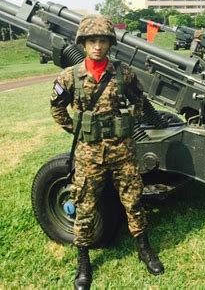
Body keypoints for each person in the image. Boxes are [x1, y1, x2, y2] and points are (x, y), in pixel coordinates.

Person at [50, 15, 164, 290]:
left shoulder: (123, 73)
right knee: (85, 205)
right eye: (92, 41)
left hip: (122, 151)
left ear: (110, 43)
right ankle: (83, 262)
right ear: (84, 44)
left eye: (102, 40)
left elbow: (139, 100)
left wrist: (128, 121)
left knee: (133, 200)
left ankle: (144, 249)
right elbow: (56, 108)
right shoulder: (70, 77)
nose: (97, 46)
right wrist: (78, 130)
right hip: (89, 154)